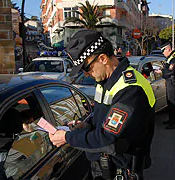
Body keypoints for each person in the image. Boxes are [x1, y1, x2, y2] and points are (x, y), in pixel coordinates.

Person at [48, 29, 156, 179]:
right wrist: (86, 125)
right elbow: (102, 116)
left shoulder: (130, 89)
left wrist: (67, 137)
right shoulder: (104, 82)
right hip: (102, 166)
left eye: (86, 68)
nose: (86, 74)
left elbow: (108, 138)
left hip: (121, 170)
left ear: (103, 59)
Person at [155, 43, 175, 129]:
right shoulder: (170, 57)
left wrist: (162, 72)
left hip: (172, 81)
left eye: (163, 51)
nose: (162, 53)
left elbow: (171, 71)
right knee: (169, 102)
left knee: (173, 102)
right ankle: (171, 120)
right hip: (170, 81)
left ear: (169, 49)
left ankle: (174, 124)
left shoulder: (174, 58)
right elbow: (167, 68)